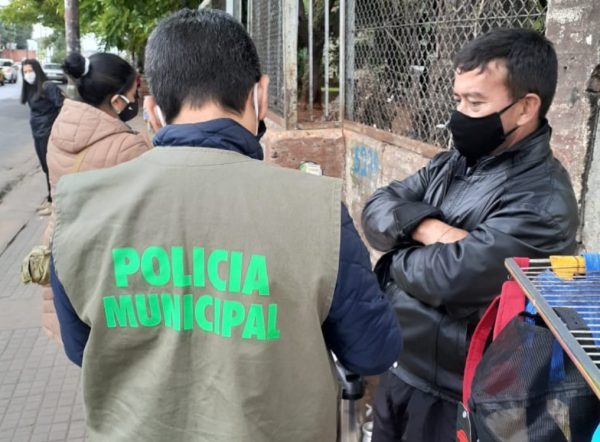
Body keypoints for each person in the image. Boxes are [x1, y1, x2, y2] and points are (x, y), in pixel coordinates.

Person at [49, 9, 402, 441]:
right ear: (261, 96)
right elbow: (372, 351)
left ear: (152, 111)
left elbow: (81, 349)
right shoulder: (317, 208)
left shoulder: (77, 206)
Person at [361, 28, 579, 442]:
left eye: (475, 103)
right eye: (457, 99)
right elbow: (376, 206)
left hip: (457, 398)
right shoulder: (455, 162)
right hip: (400, 368)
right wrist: (431, 229)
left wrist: (395, 252)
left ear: (525, 107)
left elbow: (448, 278)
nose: (458, 115)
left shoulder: (543, 202)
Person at [40, 52, 152, 344]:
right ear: (117, 101)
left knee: (81, 345)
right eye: (132, 96)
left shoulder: (60, 130)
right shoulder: (127, 147)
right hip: (108, 270)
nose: (134, 102)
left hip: (63, 253)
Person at [20, 59, 64, 215]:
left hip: (48, 133)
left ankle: (55, 203)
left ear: (37, 71)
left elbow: (62, 106)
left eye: (30, 71)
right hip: (38, 133)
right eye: (25, 72)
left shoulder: (48, 86)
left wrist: (56, 128)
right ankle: (51, 199)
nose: (28, 75)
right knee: (45, 168)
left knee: (51, 168)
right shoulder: (30, 89)